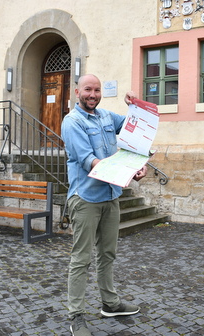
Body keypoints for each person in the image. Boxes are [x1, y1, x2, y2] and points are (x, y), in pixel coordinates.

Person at [61, 74, 147, 336]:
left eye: (97, 90)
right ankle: (76, 315)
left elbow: (134, 129)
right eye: (88, 89)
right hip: (85, 198)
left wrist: (134, 106)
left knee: (108, 254)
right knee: (81, 259)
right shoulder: (72, 121)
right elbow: (90, 161)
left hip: (110, 196)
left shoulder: (107, 116)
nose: (93, 94)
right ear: (78, 92)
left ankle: (110, 303)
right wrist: (128, 171)